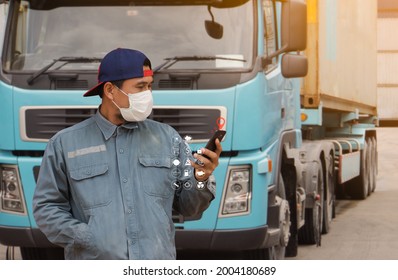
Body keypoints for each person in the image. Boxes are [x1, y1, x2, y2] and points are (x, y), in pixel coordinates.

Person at [33, 48, 221, 260]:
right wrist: (87, 237)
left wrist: (200, 178)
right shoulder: (64, 144)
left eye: (149, 87)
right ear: (110, 90)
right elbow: (46, 208)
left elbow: (190, 208)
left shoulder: (169, 138)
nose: (147, 95)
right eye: (140, 87)